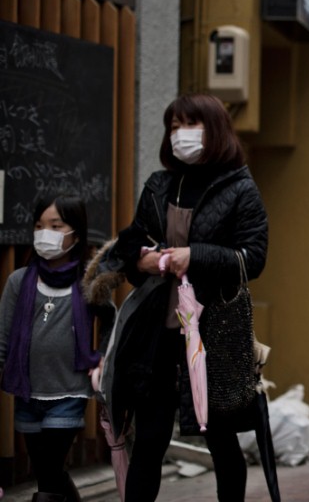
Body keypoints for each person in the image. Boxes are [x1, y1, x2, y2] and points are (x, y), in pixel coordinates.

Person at [107, 93, 268, 502]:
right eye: (174, 126)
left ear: (213, 130)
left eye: (190, 125)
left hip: (214, 334)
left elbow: (254, 257)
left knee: (220, 437)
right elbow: (132, 238)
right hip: (157, 333)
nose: (180, 135)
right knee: (151, 437)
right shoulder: (160, 184)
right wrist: (139, 260)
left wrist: (195, 255)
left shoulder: (240, 188)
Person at [0, 195, 108, 502]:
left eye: (55, 225)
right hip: (27, 393)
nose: (44, 233)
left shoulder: (89, 282)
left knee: (47, 475)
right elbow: (3, 336)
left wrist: (101, 359)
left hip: (69, 392)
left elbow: (113, 324)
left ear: (76, 232)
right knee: (49, 471)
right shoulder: (18, 282)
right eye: (38, 225)